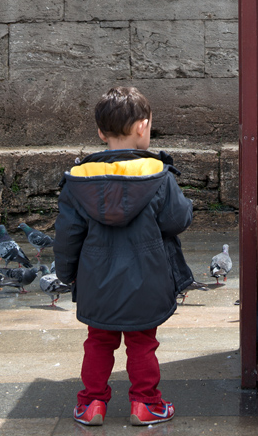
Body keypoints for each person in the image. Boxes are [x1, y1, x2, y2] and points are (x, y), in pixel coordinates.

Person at [53, 86, 194, 426]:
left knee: (98, 342)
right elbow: (178, 220)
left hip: (96, 282)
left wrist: (66, 274)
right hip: (146, 280)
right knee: (142, 343)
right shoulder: (157, 175)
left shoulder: (79, 180)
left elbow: (67, 236)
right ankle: (145, 403)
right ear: (143, 127)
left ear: (101, 132)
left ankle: (91, 405)